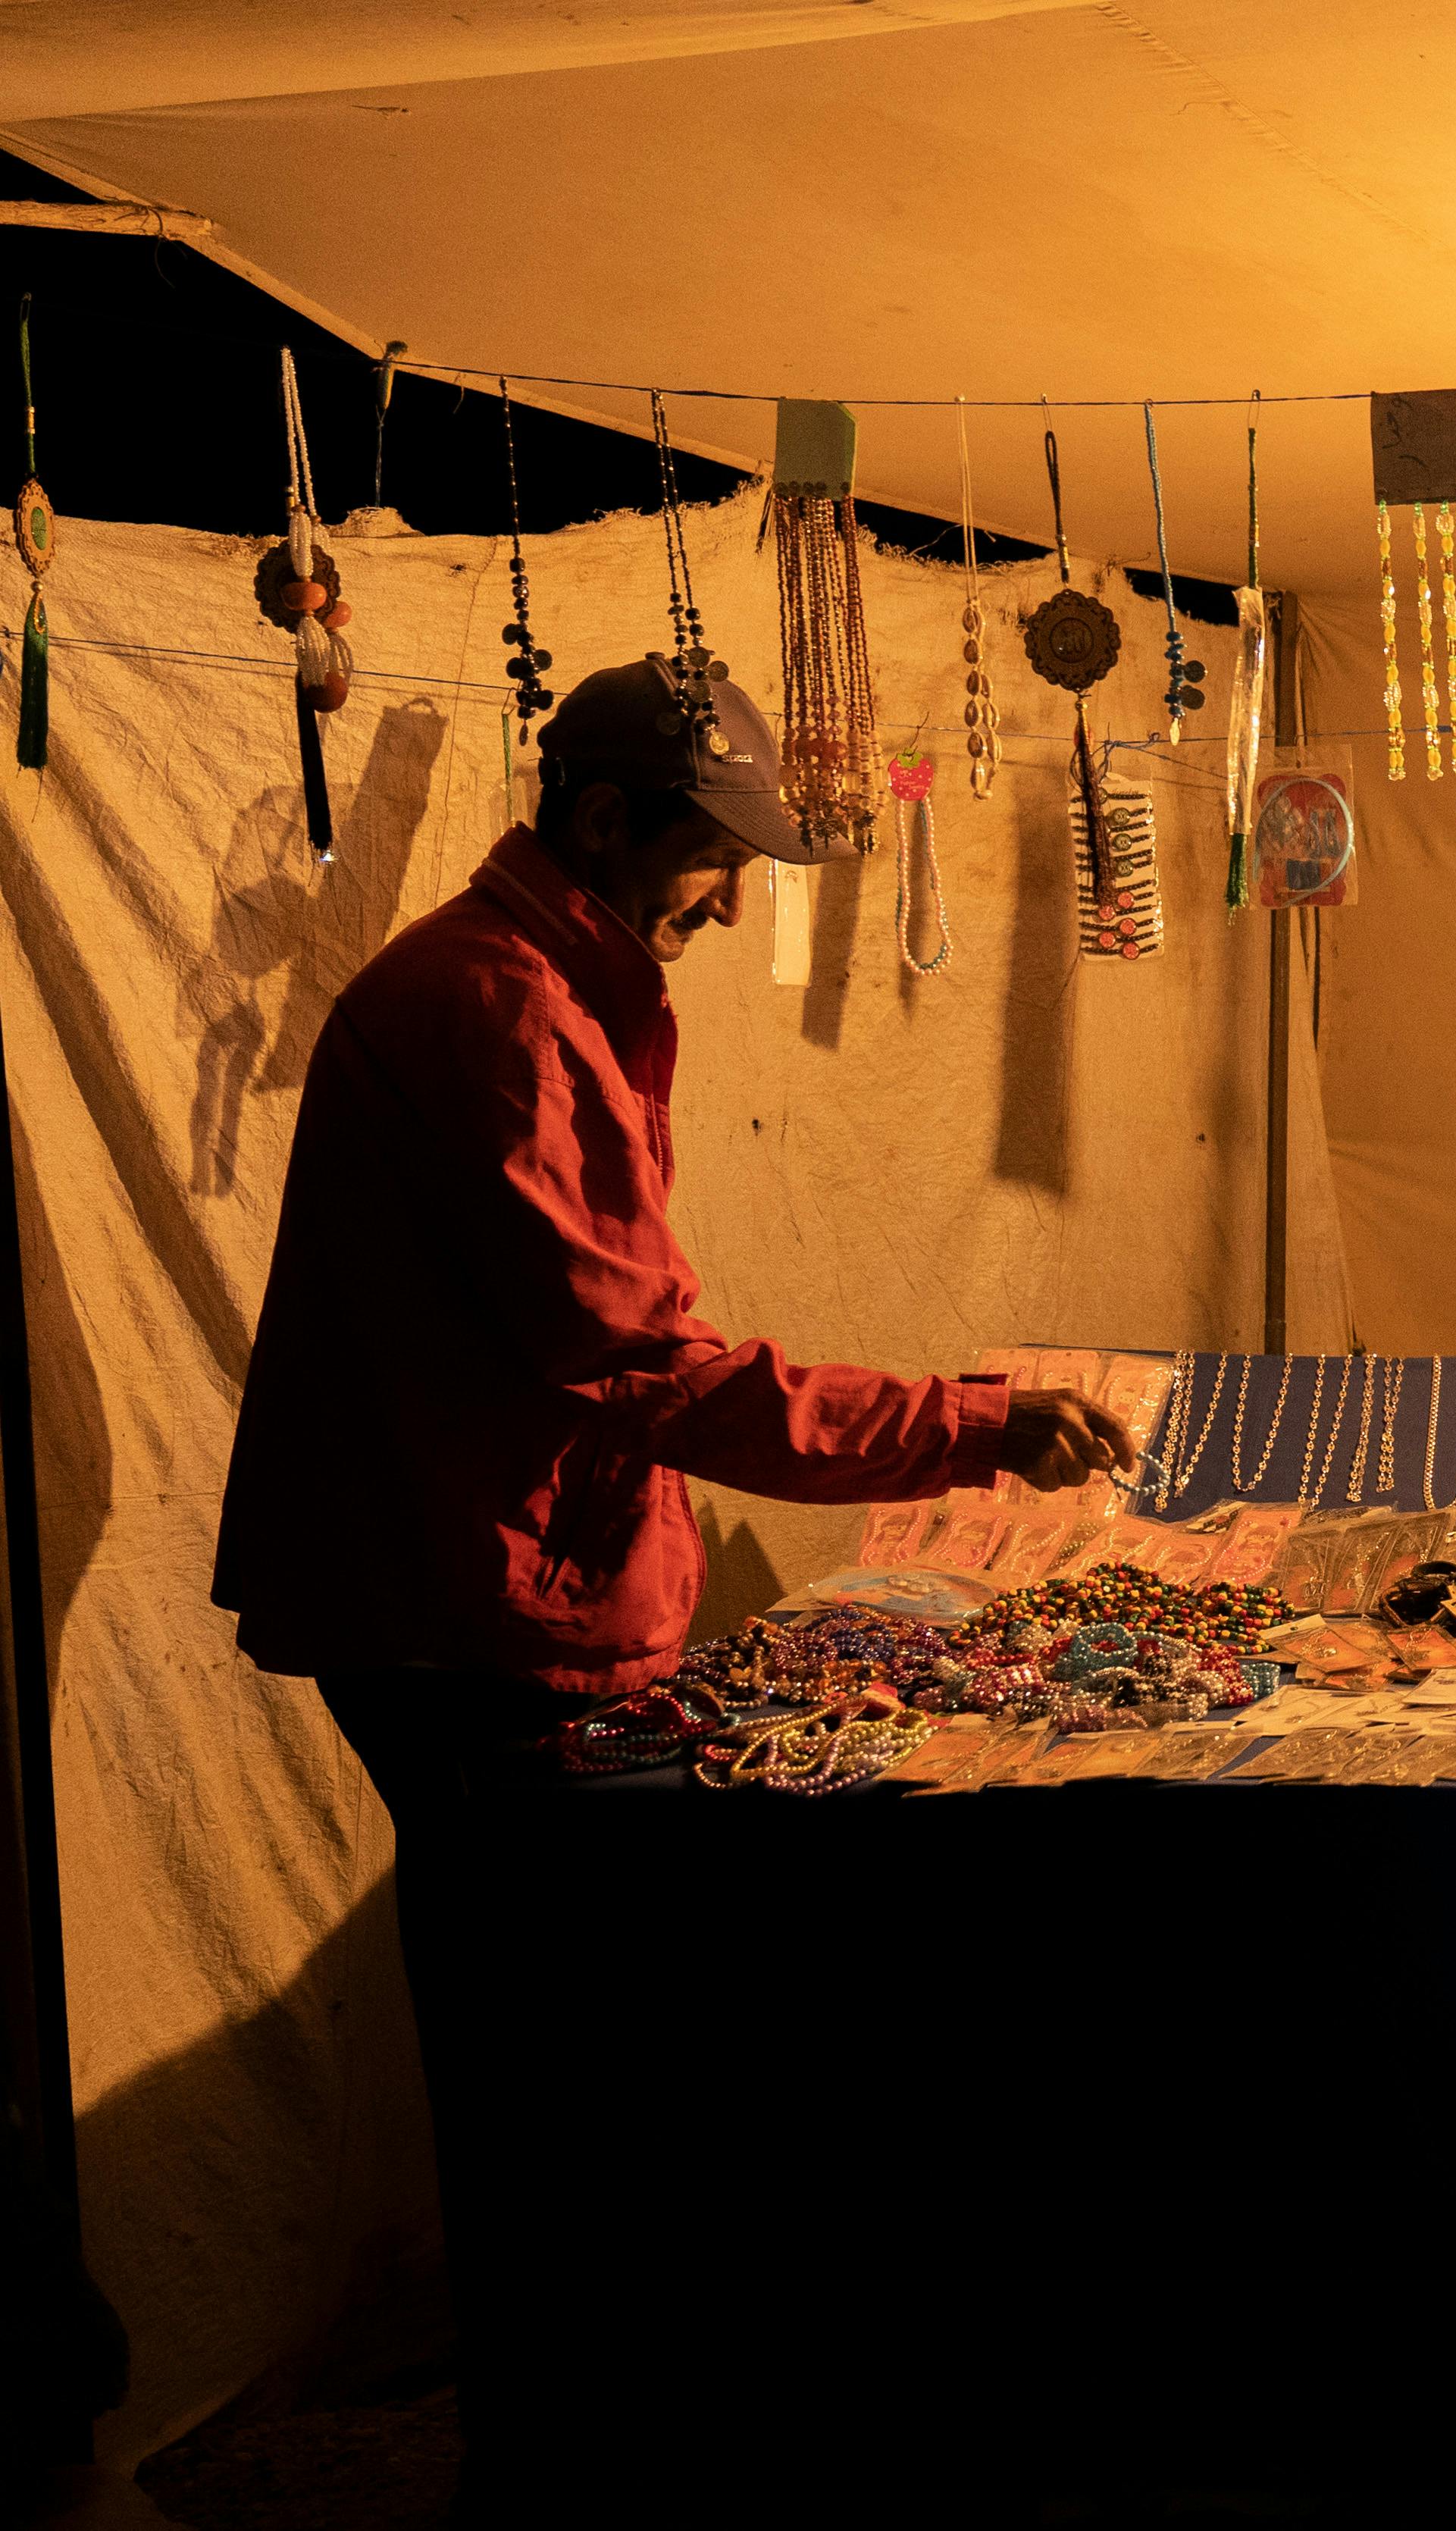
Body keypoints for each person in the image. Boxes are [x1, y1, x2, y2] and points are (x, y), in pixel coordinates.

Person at [210, 656, 1133, 2504]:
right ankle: (576, 2441)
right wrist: (974, 1420)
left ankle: (581, 2411)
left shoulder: (538, 982)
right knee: (554, 2050)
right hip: (464, 1612)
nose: (731, 900)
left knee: (550, 2031)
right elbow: (654, 1364)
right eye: (715, 859)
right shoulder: (498, 1013)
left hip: (479, 1580)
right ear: (610, 822)